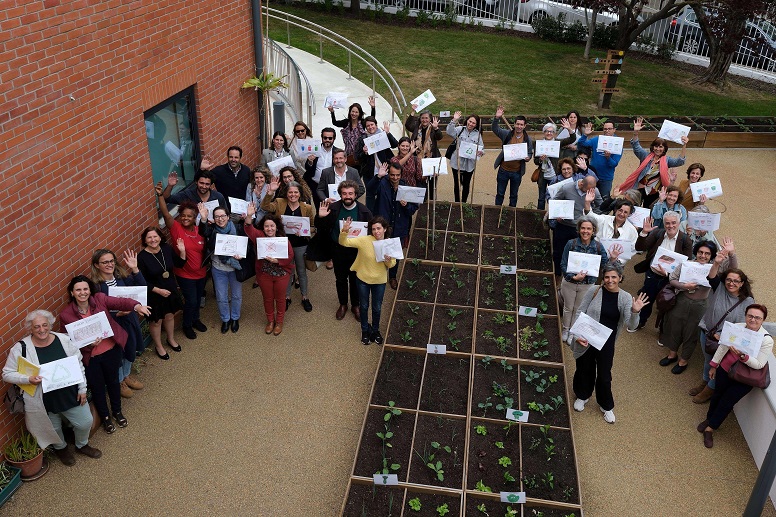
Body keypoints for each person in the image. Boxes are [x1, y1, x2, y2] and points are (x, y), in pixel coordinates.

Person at [3, 311, 102, 465]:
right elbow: (7, 374)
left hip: (70, 394)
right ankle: (61, 448)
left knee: (84, 422)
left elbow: (78, 365)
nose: (42, 329)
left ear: (50, 325)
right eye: (36, 327)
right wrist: (27, 379)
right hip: (42, 401)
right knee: (53, 428)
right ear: (30, 328)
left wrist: (82, 389)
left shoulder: (64, 340)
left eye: (45, 325)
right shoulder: (21, 348)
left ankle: (81, 445)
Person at [59, 276, 151, 434]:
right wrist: (87, 344)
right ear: (72, 293)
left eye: (85, 289)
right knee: (97, 388)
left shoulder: (99, 299)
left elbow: (120, 302)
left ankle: (117, 411)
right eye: (78, 290)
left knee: (114, 382)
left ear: (90, 290)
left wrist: (136, 306)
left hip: (110, 351)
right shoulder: (66, 315)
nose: (83, 293)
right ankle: (106, 417)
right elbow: (68, 341)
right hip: (91, 358)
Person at [567, 262, 649, 424]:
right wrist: (576, 335)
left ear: (620, 278)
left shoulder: (625, 298)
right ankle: (583, 395)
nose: (610, 280)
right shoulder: (594, 290)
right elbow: (580, 312)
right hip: (587, 338)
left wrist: (635, 311)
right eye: (606, 277)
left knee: (604, 375)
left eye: (614, 277)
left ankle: (606, 405)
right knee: (584, 368)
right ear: (602, 278)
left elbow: (631, 325)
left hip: (607, 342)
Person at [698, 304, 772, 448]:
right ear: (745, 316)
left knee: (727, 401)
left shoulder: (766, 340)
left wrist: (743, 356)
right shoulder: (737, 327)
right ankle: (709, 418)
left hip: (744, 379)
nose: (753, 320)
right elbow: (723, 346)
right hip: (725, 370)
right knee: (717, 395)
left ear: (763, 320)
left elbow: (759, 364)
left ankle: (710, 428)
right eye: (750, 316)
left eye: (757, 317)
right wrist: (714, 365)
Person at [691, 239, 753, 404]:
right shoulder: (719, 288)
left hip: (725, 341)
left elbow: (741, 326)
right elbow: (712, 275)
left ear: (742, 284)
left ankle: (709, 389)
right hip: (706, 331)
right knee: (707, 360)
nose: (731, 283)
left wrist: (732, 254)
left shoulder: (747, 301)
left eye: (736, 281)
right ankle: (705, 381)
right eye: (729, 280)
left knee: (717, 365)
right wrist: (717, 263)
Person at [90, 249, 146, 398]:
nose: (109, 264)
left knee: (131, 348)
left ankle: (126, 376)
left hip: (129, 320)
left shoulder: (121, 277)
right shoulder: (96, 286)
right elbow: (97, 310)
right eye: (105, 262)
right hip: (114, 323)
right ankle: (120, 381)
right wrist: (116, 313)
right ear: (96, 265)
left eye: (111, 261)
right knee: (119, 353)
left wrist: (135, 269)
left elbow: (141, 288)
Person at [154, 183, 208, 340]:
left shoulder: (200, 231)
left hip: (201, 273)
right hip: (185, 274)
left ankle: (196, 319)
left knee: (198, 299)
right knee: (190, 300)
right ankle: (187, 325)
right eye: (183, 215)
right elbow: (165, 214)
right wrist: (160, 196)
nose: (185, 218)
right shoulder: (176, 228)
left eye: (189, 216)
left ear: (195, 218)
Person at [315, 180, 372, 321]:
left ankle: (355, 305)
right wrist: (320, 217)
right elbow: (321, 227)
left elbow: (371, 232)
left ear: (356, 195)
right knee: (340, 279)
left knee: (355, 280)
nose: (347, 196)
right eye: (344, 193)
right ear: (340, 194)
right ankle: (343, 304)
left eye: (350, 193)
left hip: (356, 252)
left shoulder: (364, 211)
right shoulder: (333, 208)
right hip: (337, 250)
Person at [658, 241, 719, 374]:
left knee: (691, 333)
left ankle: (683, 360)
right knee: (675, 328)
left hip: (700, 305)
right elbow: (672, 279)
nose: (703, 256)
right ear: (696, 252)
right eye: (700, 252)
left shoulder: (714, 268)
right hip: (682, 300)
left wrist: (730, 254)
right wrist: (684, 286)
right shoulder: (686, 264)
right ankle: (672, 354)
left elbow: (732, 268)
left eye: (707, 254)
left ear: (712, 256)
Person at [338, 216, 397, 345]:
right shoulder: (364, 240)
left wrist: (388, 260)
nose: (376, 231)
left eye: (379, 228)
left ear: (385, 229)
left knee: (377, 308)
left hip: (379, 281)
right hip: (363, 280)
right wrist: (345, 230)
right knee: (363, 306)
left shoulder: (389, 243)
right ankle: (365, 330)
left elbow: (392, 264)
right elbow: (344, 242)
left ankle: (375, 331)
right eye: (374, 229)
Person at [632, 211, 693, 331]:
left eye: (673, 223)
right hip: (652, 275)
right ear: (664, 224)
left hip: (670, 279)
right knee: (646, 300)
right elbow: (640, 247)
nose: (670, 226)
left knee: (666, 303)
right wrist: (644, 232)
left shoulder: (685, 240)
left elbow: (687, 264)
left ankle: (662, 329)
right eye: (667, 223)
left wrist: (668, 275)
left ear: (679, 223)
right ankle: (641, 321)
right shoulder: (657, 233)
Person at [559, 215, 617, 341]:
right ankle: (565, 329)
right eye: (583, 228)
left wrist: (612, 259)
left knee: (578, 308)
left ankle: (573, 332)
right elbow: (563, 264)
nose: (585, 231)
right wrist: (573, 277)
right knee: (568, 307)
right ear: (579, 229)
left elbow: (605, 266)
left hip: (587, 285)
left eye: (589, 229)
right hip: (570, 282)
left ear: (593, 230)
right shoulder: (571, 244)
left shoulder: (598, 247)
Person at [262, 179, 316, 312]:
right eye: (290, 192)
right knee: (288, 272)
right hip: (283, 245)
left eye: (295, 192)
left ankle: (305, 297)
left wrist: (304, 231)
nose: (293, 195)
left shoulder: (307, 208)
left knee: (301, 271)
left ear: (300, 194)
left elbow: (313, 227)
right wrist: (270, 193)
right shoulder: (279, 203)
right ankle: (287, 297)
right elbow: (265, 207)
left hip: (300, 244)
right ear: (286, 194)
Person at [369, 161, 419, 289]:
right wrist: (378, 176)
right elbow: (370, 190)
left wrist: (406, 205)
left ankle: (392, 277)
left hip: (399, 228)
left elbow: (413, 209)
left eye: (397, 175)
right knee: (379, 251)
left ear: (401, 175)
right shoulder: (382, 183)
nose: (395, 178)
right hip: (382, 227)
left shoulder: (406, 187)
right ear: (388, 174)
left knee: (395, 255)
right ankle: (377, 275)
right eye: (392, 175)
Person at [137, 227, 185, 359]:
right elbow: (140, 281)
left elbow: (180, 264)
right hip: (153, 293)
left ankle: (170, 339)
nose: (153, 240)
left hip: (170, 289)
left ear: (160, 237)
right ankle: (159, 346)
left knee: (169, 316)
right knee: (156, 321)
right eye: (149, 237)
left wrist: (182, 251)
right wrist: (158, 291)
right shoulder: (141, 258)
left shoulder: (166, 248)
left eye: (155, 236)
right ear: (145, 240)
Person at [243, 212, 295, 336]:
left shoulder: (282, 239)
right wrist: (249, 216)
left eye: (272, 226)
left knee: (280, 299)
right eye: (266, 226)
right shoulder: (259, 237)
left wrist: (278, 261)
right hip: (264, 274)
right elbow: (249, 229)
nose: (269, 229)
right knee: (267, 299)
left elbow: (290, 256)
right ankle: (270, 321)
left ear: (276, 227)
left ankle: (279, 322)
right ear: (263, 228)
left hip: (281, 274)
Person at [618, 117, 688, 208]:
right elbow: (636, 146)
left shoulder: (667, 160)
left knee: (648, 210)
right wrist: (636, 132)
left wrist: (684, 145)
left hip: (654, 191)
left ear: (664, 149)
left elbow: (680, 161)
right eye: (656, 146)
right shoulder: (646, 156)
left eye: (661, 147)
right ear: (652, 147)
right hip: (640, 188)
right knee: (633, 207)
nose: (658, 149)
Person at [199, 205, 244, 334]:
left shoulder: (237, 228)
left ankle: (235, 318)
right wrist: (203, 219)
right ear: (213, 219)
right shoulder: (212, 230)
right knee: (221, 296)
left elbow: (245, 245)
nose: (220, 219)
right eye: (217, 216)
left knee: (236, 296)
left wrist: (241, 255)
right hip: (218, 268)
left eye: (223, 216)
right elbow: (203, 232)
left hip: (235, 268)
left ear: (228, 217)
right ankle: (225, 319)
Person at [551, 176, 603, 276]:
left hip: (581, 229)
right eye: (589, 189)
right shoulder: (566, 188)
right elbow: (555, 201)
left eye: (593, 189)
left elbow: (601, 207)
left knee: (578, 253)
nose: (591, 191)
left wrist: (590, 215)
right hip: (564, 226)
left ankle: (572, 276)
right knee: (559, 251)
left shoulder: (594, 191)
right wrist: (557, 213)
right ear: (581, 184)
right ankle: (557, 274)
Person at [492, 106, 534, 207]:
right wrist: (497, 118)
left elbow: (530, 153)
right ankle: (497, 211)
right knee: (500, 194)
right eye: (517, 124)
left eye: (521, 125)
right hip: (503, 170)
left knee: (514, 195)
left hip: (517, 172)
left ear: (525, 126)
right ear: (514, 124)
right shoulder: (507, 134)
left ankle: (512, 213)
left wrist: (528, 158)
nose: (519, 126)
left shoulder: (528, 139)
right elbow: (495, 129)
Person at [583, 195, 638, 265]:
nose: (622, 214)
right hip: (596, 258)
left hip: (616, 263)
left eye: (625, 212)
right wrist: (587, 203)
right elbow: (591, 216)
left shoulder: (632, 231)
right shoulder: (605, 219)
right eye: (620, 210)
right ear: (615, 210)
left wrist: (618, 260)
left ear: (629, 214)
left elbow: (632, 249)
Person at [535, 120, 577, 209]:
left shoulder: (558, 143)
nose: (549, 133)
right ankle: (539, 216)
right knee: (541, 198)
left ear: (554, 133)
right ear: (544, 132)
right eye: (547, 131)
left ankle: (552, 217)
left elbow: (572, 138)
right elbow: (535, 161)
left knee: (554, 197)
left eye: (551, 131)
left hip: (554, 175)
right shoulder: (538, 144)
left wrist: (569, 128)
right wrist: (540, 160)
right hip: (543, 175)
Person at [575, 120, 622, 197]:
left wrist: (608, 157)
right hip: (592, 175)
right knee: (589, 196)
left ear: (614, 129)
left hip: (606, 177)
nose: (607, 131)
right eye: (605, 129)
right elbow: (581, 144)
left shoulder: (618, 143)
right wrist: (585, 135)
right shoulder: (597, 139)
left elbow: (614, 164)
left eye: (609, 129)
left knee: (604, 198)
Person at [446, 112, 485, 203]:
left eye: (473, 123)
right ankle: (457, 203)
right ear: (467, 121)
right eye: (469, 121)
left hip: (469, 164)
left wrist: (481, 152)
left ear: (476, 125)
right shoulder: (460, 130)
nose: (470, 124)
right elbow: (449, 131)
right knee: (457, 184)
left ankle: (463, 203)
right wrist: (454, 120)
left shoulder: (477, 134)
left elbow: (482, 148)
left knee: (466, 184)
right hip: (457, 162)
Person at [203, 147, 252, 218]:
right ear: (227, 157)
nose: (233, 160)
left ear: (240, 158)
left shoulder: (246, 170)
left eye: (236, 157)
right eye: (231, 157)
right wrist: (202, 169)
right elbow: (203, 180)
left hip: (243, 211)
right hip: (226, 212)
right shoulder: (218, 171)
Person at [405, 109, 443, 200]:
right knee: (420, 179)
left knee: (432, 180)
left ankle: (432, 200)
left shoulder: (433, 128)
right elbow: (407, 125)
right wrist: (412, 112)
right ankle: (422, 199)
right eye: (422, 118)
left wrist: (436, 128)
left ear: (430, 119)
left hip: (430, 157)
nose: (424, 120)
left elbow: (439, 137)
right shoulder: (416, 127)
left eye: (426, 118)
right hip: (418, 157)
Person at [330, 97, 375, 167]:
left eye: (356, 112)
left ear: (359, 113)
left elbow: (371, 120)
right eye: (352, 111)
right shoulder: (346, 123)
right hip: (349, 155)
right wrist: (332, 112)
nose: (354, 114)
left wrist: (373, 107)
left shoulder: (362, 123)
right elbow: (335, 122)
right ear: (350, 112)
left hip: (360, 155)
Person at [303, 127, 337, 210]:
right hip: (315, 184)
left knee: (331, 209)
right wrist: (310, 162)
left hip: (330, 186)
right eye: (325, 138)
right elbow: (307, 167)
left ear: (334, 139)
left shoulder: (337, 152)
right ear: (322, 138)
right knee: (318, 208)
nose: (327, 140)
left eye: (330, 138)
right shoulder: (315, 149)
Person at [160, 170, 226, 210]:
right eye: (201, 183)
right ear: (196, 182)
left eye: (207, 184)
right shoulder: (187, 195)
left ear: (211, 185)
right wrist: (170, 186)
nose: (204, 186)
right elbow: (167, 198)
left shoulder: (218, 197)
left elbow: (226, 214)